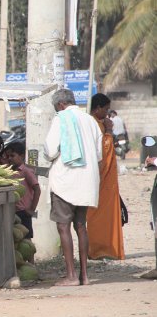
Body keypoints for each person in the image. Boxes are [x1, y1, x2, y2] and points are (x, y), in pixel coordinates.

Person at [44, 89, 103, 286]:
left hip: (65, 181)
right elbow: (99, 155)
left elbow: (50, 150)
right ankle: (84, 276)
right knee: (81, 226)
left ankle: (70, 276)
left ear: (60, 105)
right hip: (87, 181)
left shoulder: (61, 119)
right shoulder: (90, 120)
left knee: (63, 226)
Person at [87, 94, 125, 260]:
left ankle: (107, 248)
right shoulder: (93, 124)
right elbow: (103, 150)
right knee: (97, 215)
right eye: (106, 109)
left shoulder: (98, 123)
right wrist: (109, 131)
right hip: (100, 178)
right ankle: (98, 249)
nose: (107, 113)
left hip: (105, 179)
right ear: (97, 108)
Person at [4, 142, 41, 246]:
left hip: (23, 212)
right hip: (12, 211)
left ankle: (31, 262)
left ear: (21, 156)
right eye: (8, 156)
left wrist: (31, 210)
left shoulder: (26, 171)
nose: (10, 158)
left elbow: (37, 189)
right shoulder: (9, 171)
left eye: (12, 156)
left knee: (27, 238)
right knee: (16, 238)